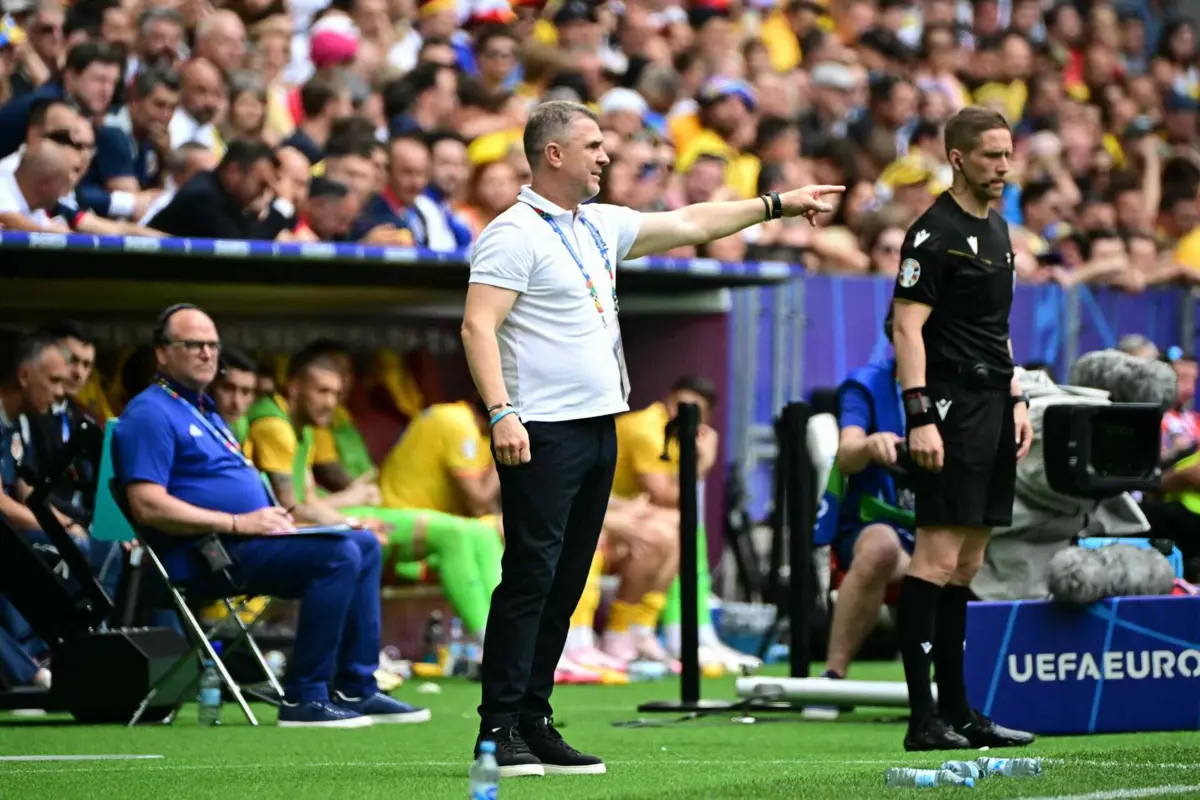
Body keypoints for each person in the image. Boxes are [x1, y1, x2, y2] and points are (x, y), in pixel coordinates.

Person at [462, 98, 842, 777]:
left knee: (569, 579)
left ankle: (535, 717)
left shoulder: (600, 225)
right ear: (553, 154)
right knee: (529, 576)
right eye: (594, 145)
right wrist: (501, 413)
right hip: (540, 431)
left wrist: (778, 205)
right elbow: (477, 327)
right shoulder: (512, 232)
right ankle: (497, 730)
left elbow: (693, 221)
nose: (608, 156)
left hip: (598, 427)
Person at [113, 303, 430, 728]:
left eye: (212, 345)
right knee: (338, 556)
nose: (207, 354)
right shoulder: (150, 412)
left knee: (364, 545)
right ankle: (304, 697)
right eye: (193, 345)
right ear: (162, 353)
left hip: (248, 541)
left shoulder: (205, 410)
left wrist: (293, 520)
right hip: (207, 554)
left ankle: (357, 686)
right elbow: (146, 504)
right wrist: (237, 523)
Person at [887, 106, 1036, 752]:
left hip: (993, 405)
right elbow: (906, 326)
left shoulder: (1000, 229)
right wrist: (919, 414)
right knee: (936, 557)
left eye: (1007, 154)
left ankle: (962, 712)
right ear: (957, 159)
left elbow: (994, 327)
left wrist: (1016, 393)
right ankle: (923, 720)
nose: (1003, 167)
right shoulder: (931, 233)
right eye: (990, 156)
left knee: (969, 561)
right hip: (947, 407)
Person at [808, 356, 913, 718]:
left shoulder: (961, 380)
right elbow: (847, 454)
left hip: (943, 527)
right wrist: (870, 445)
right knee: (881, 545)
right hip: (877, 527)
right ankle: (833, 676)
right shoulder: (866, 384)